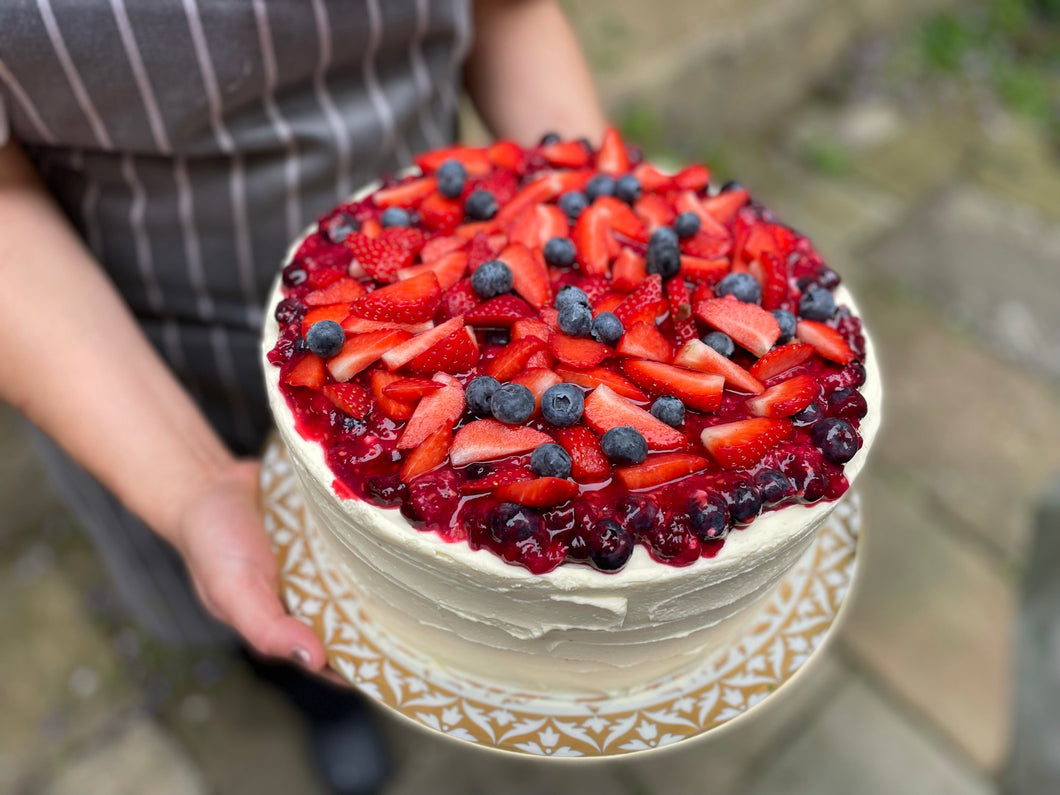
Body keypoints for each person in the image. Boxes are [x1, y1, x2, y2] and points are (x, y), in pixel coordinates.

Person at [0, 1, 606, 791]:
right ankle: (315, 693)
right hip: (146, 354)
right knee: (268, 593)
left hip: (472, 301)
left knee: (461, 574)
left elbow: (509, 12)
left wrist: (598, 232)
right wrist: (192, 486)